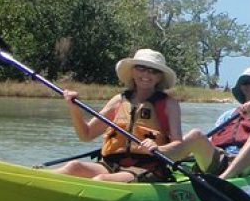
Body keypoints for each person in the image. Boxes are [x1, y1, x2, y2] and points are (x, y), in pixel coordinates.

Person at [53, 49, 182, 181]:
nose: (146, 74)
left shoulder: (169, 104)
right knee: (73, 167)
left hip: (147, 167)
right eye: (141, 68)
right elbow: (86, 134)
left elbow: (178, 143)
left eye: (154, 71)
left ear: (160, 77)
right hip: (111, 164)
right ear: (132, 71)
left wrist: (158, 148)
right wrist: (74, 109)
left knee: (101, 180)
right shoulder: (118, 101)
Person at [158, 66, 250, 180]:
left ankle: (223, 179)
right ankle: (155, 160)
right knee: (196, 134)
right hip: (223, 159)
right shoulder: (228, 115)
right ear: (244, 88)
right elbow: (211, 141)